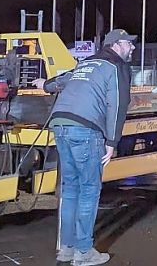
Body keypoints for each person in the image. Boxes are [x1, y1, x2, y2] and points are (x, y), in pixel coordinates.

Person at [37, 28, 135, 266]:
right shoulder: (117, 67)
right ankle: (84, 253)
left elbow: (62, 80)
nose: (132, 48)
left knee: (70, 189)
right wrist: (112, 142)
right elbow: (118, 105)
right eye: (128, 44)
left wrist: (44, 85)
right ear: (116, 45)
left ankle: (66, 249)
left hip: (60, 125)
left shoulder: (87, 63)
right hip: (86, 130)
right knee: (89, 190)